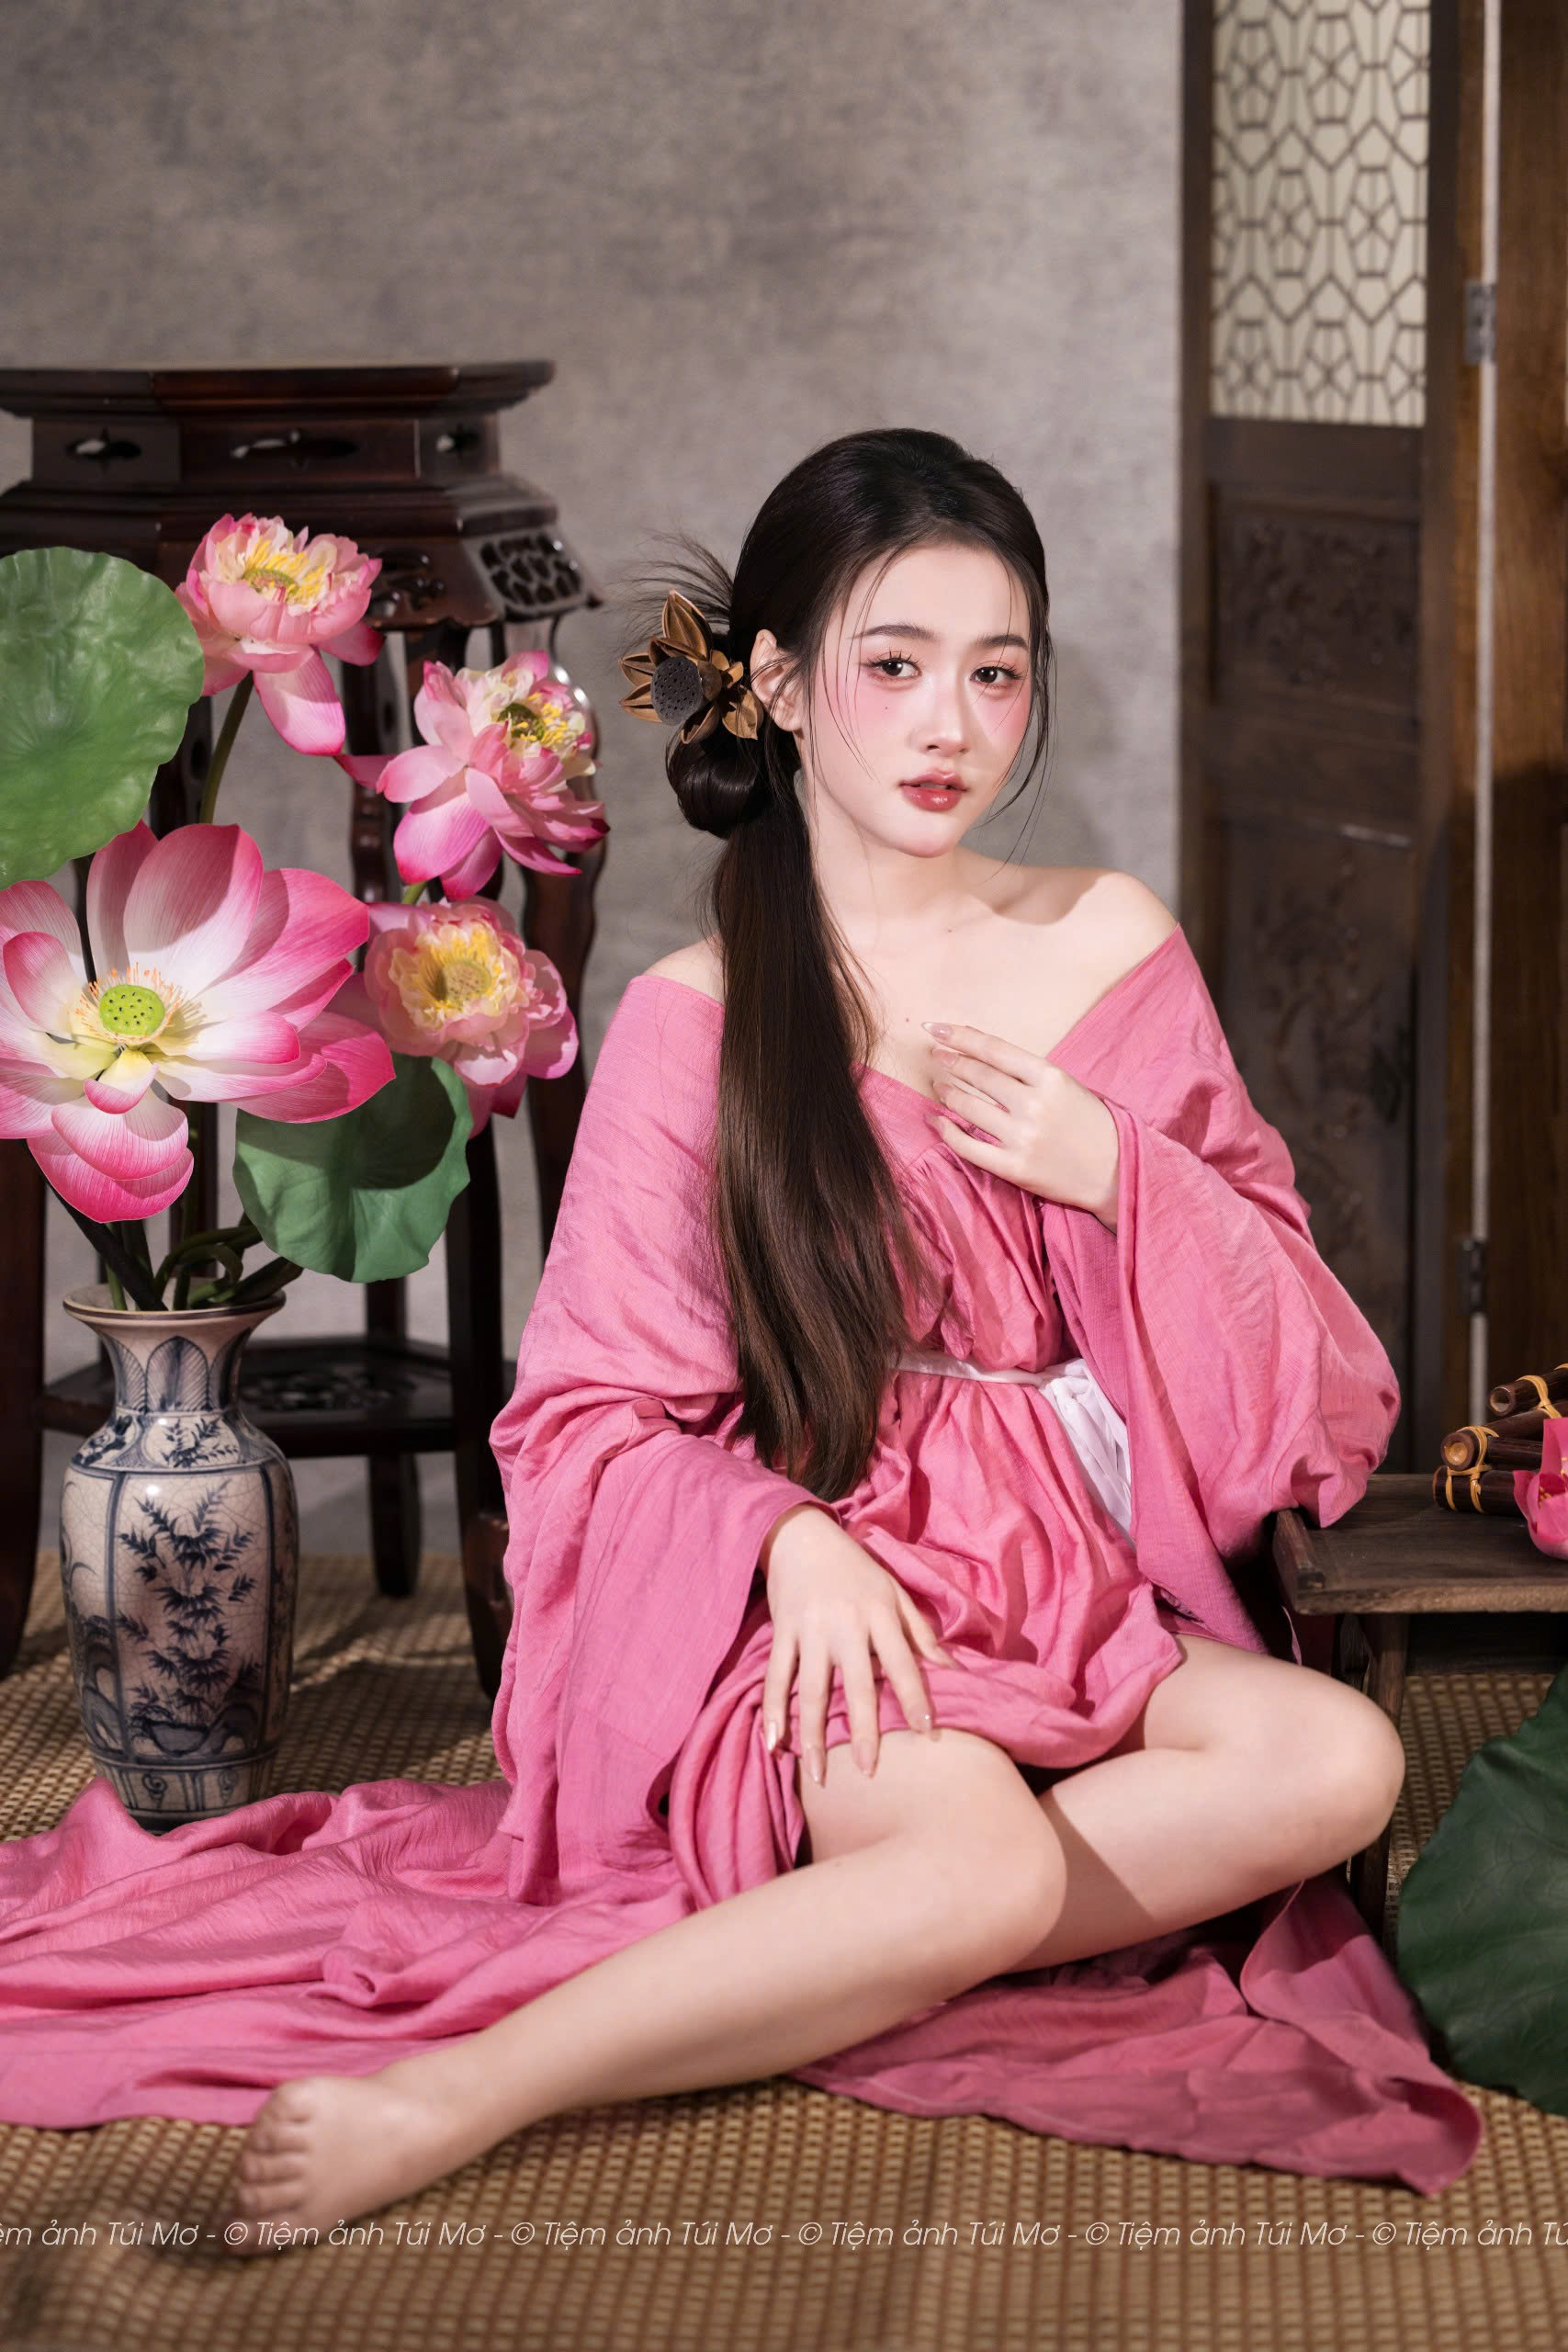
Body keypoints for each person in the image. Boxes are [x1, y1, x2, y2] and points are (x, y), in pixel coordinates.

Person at [0, 428, 1482, 2251]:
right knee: (980, 1858)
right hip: (834, 1588)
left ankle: (830, 1960)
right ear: (776, 684)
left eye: (995, 672)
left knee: (1336, 1763)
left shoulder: (1111, 938)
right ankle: (465, 2090)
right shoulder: (694, 1016)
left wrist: (1118, 1171)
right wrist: (786, 1544)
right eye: (893, 664)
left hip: (1074, 1575)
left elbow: (1292, 1336)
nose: (949, 724)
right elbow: (587, 1416)